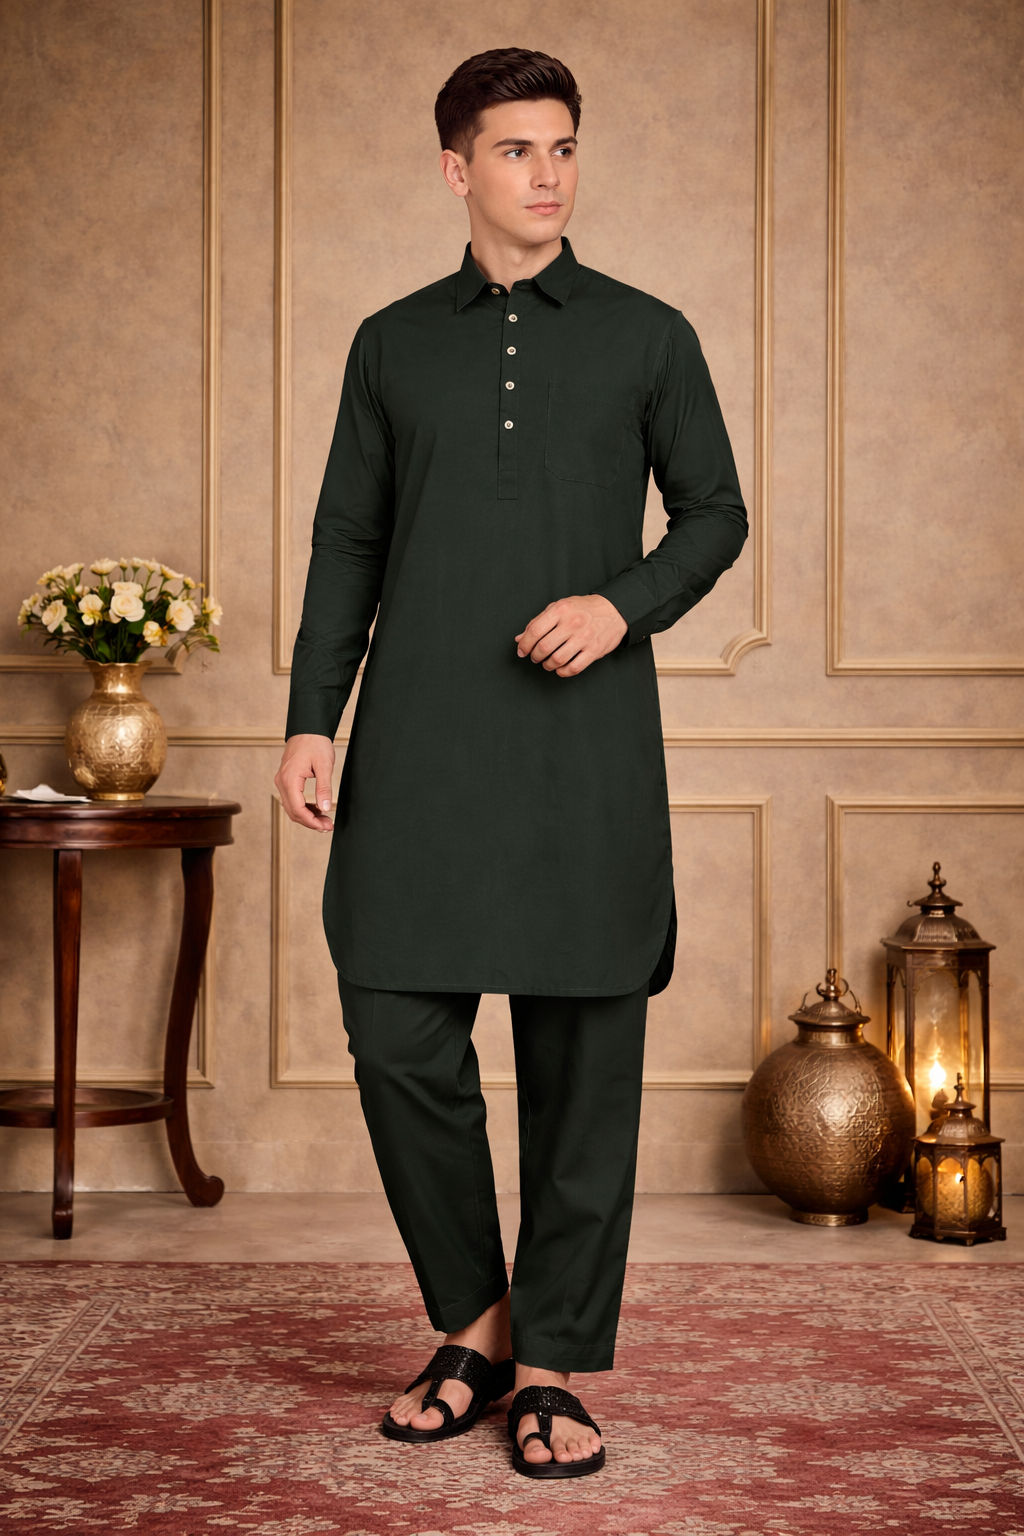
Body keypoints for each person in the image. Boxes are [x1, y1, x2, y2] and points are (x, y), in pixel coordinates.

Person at [275, 46, 747, 1479]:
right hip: (419, 745)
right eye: (516, 149)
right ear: (455, 169)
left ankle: (551, 1366)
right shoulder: (391, 343)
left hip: (582, 752)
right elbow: (348, 538)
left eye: (564, 147)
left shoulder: (649, 334)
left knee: (583, 1060)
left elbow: (715, 514)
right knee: (394, 1032)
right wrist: (311, 718)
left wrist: (621, 605)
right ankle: (477, 1322)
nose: (547, 174)